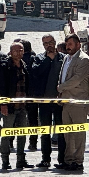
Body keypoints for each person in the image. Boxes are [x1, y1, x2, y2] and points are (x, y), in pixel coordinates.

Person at [29, 34, 66, 168]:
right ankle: (46, 159)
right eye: (45, 43)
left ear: (55, 42)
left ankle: (62, 159)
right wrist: (48, 61)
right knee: (45, 131)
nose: (48, 45)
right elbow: (35, 73)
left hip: (59, 101)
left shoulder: (63, 58)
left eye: (50, 42)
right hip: (44, 101)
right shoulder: (39, 58)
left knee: (61, 131)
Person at [56, 34, 89, 172]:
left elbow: (76, 79)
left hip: (78, 102)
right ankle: (68, 160)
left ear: (78, 44)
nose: (68, 46)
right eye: (67, 44)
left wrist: (61, 87)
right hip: (66, 101)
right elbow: (63, 76)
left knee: (78, 134)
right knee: (68, 134)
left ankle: (78, 161)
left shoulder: (83, 59)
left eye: (70, 44)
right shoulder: (66, 58)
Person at [0, 42, 31, 170]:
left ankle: (21, 159)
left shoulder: (24, 65)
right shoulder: (5, 66)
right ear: (10, 52)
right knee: (7, 133)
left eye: (21, 50)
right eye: (16, 50)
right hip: (9, 107)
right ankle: (5, 160)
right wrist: (3, 104)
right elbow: (0, 87)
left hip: (22, 106)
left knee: (22, 133)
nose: (19, 52)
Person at [21, 40, 40, 152]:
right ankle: (33, 143)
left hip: (21, 93)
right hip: (33, 93)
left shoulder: (19, 60)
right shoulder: (35, 58)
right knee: (33, 119)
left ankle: (11, 141)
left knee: (18, 119)